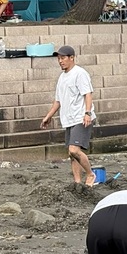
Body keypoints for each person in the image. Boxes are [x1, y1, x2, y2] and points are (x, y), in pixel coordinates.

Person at [40, 46, 97, 186]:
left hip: (81, 118)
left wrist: (87, 113)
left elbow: (88, 94)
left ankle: (90, 174)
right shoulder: (62, 77)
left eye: (63, 58)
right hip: (68, 119)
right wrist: (48, 116)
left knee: (74, 150)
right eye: (59, 58)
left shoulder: (80, 73)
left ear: (72, 58)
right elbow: (58, 101)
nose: (60, 61)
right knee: (72, 154)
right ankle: (77, 183)